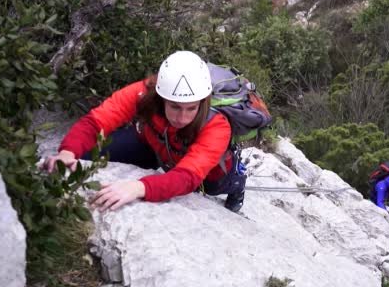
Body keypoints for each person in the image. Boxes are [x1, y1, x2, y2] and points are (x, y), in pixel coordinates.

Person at [43, 51, 246, 212]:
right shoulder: (145, 93)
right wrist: (68, 152)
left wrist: (139, 187)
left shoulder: (217, 126)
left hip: (210, 171)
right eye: (175, 107)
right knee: (86, 156)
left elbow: (186, 177)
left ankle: (238, 183)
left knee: (213, 187)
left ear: (202, 103)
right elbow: (96, 122)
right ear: (161, 97)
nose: (182, 118)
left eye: (191, 108)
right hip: (155, 146)